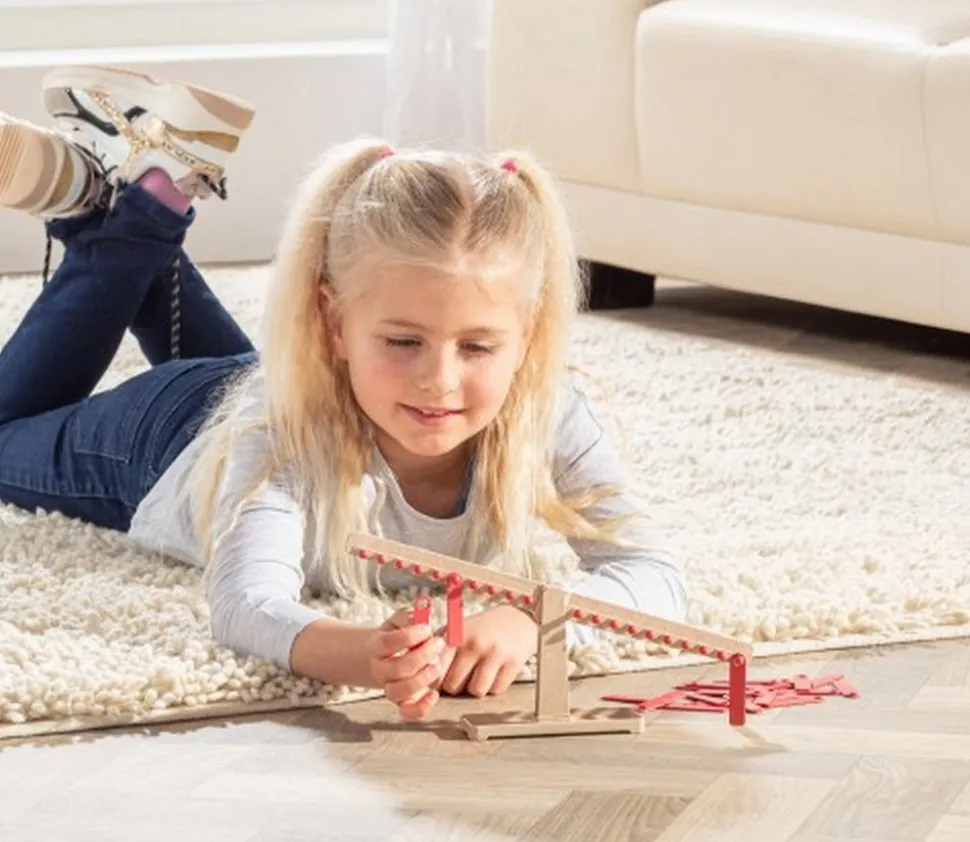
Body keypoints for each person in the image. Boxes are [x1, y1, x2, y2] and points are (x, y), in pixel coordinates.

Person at [0, 65, 687, 722]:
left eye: (477, 347)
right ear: (334, 324)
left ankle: (143, 190)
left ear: (528, 337)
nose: (439, 380)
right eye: (403, 342)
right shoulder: (282, 435)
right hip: (163, 440)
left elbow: (655, 574)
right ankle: (133, 211)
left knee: (264, 378)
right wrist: (363, 653)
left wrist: (535, 622)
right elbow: (244, 605)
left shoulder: (548, 408)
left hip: (274, 382)